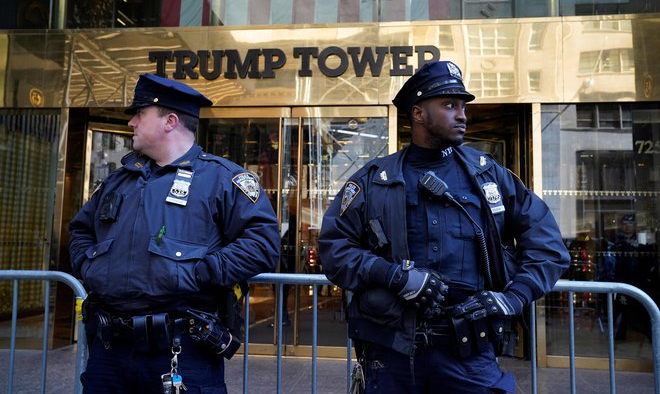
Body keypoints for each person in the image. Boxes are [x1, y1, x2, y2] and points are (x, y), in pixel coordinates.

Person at [318, 61, 570, 393]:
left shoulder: (487, 176)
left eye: (463, 106)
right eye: (450, 105)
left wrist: (514, 297)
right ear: (419, 113)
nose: (462, 115)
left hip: (468, 355)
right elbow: (335, 248)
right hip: (391, 353)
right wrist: (393, 275)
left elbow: (548, 247)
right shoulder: (374, 179)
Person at [68, 73, 280, 393]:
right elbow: (80, 230)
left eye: (139, 115)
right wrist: (91, 267)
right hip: (110, 352)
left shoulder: (221, 179)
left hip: (181, 351)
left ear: (169, 121)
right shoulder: (119, 180)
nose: (131, 123)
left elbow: (263, 243)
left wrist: (198, 273)